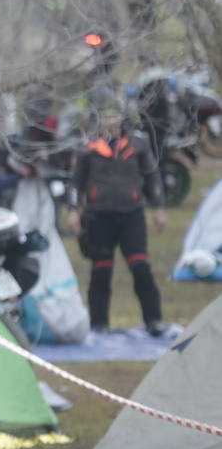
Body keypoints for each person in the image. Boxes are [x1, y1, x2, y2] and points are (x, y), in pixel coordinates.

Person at [64, 100, 168, 335]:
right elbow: (75, 181)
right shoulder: (88, 146)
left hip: (132, 215)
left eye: (114, 115)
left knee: (140, 267)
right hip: (98, 217)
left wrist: (159, 208)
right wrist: (72, 209)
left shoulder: (138, 143)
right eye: (105, 115)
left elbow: (152, 177)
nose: (110, 120)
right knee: (101, 271)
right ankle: (98, 324)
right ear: (99, 119)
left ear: (122, 118)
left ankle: (154, 320)